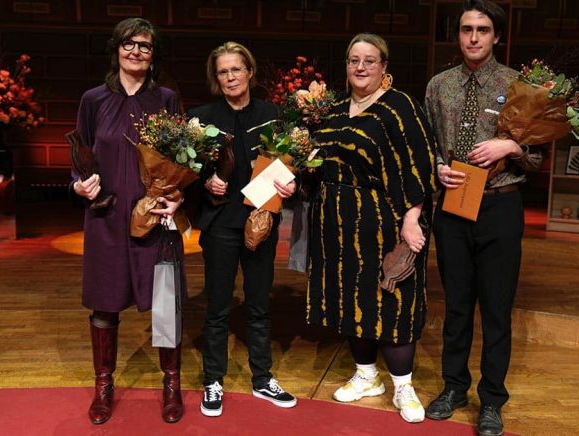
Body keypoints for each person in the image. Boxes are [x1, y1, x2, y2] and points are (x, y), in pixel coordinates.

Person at [424, 2, 544, 435]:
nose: (474, 37)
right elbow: (429, 143)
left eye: (483, 30)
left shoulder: (519, 85)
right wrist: (436, 167)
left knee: (495, 310)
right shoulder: (439, 85)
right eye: (466, 29)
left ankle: (492, 400)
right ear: (457, 35)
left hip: (499, 205)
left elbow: (539, 155)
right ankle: (454, 386)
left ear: (497, 36)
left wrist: (509, 148)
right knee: (457, 307)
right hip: (454, 204)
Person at [306, 33, 437, 423]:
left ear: (384, 67)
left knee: (393, 299)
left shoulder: (400, 107)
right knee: (351, 298)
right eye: (353, 60)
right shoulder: (331, 111)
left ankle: (403, 386)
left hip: (386, 221)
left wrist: (412, 220)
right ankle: (366, 375)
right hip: (337, 223)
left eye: (369, 60)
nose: (360, 67)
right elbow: (315, 163)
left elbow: (421, 164)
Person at [71, 17, 186, 425]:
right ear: (116, 48)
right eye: (128, 44)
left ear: (154, 56)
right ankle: (104, 385)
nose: (135, 51)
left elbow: (183, 159)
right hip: (105, 217)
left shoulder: (167, 100)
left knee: (165, 303)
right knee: (104, 304)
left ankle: (171, 383)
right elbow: (80, 156)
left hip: (155, 217)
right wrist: (79, 185)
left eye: (145, 46)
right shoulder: (93, 100)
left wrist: (176, 197)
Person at [187, 41, 298, 418]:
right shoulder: (201, 118)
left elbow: (291, 165)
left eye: (237, 69)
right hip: (220, 224)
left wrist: (291, 184)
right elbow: (186, 171)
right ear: (215, 78)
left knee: (258, 304)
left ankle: (262, 378)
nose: (230, 77)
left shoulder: (274, 115)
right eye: (223, 72)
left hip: (261, 223)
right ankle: (213, 380)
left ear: (250, 72)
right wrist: (205, 183)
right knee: (217, 307)